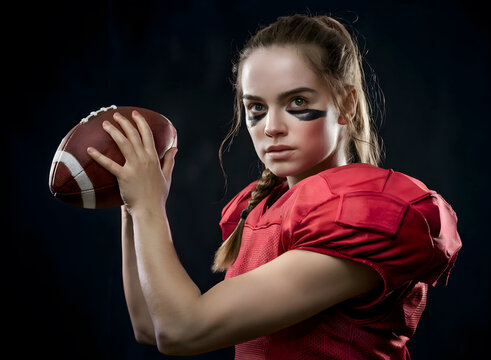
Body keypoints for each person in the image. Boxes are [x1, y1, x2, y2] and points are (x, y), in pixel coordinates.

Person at [87, 14, 461, 359]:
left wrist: (148, 206)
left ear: (345, 104)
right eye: (256, 108)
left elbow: (182, 329)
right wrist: (131, 202)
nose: (271, 128)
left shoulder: (362, 216)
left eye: (297, 101)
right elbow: (149, 327)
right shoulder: (264, 206)